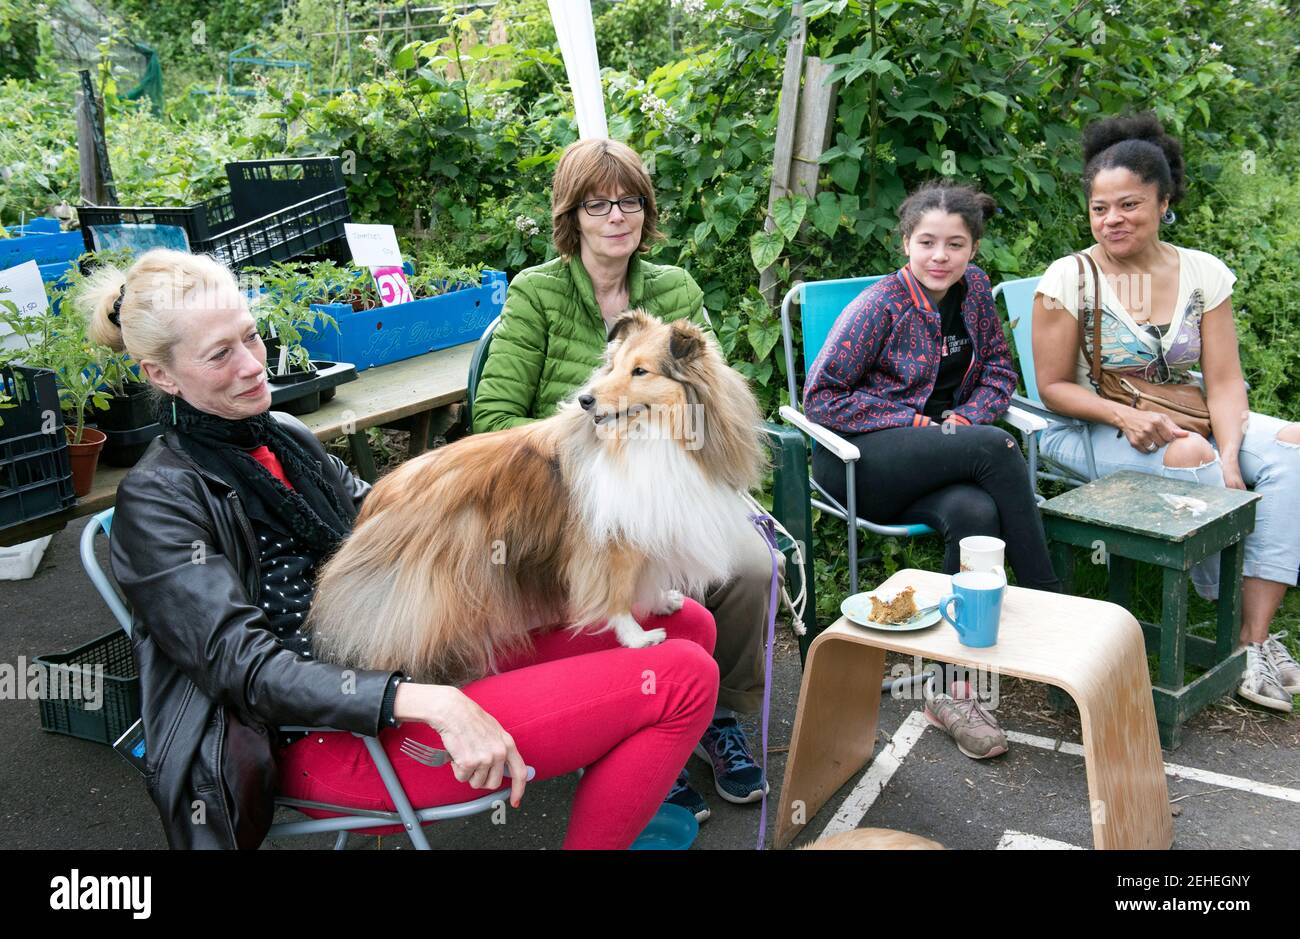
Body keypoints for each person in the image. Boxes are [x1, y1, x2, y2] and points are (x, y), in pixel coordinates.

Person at [91, 248, 720, 850]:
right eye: (219, 354)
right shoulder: (160, 501)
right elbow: (244, 668)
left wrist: (528, 483)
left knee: (685, 622)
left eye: (251, 337)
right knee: (682, 681)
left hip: (418, 651)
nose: (253, 364)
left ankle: (624, 799)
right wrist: (421, 700)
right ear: (161, 375)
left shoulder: (279, 434)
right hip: (331, 735)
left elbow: (393, 516)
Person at [472, 137, 778, 820]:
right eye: (598, 203)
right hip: (568, 487)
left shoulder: (675, 290)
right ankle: (638, 728)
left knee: (753, 565)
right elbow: (493, 417)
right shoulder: (537, 293)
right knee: (620, 557)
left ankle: (716, 716)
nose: (617, 216)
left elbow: (705, 398)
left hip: (669, 476)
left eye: (631, 201)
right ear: (571, 215)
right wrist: (588, 442)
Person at [1033, 112, 1300, 714]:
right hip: (1091, 424)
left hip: (1189, 411)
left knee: (1291, 445)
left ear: (1163, 201)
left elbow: (1225, 381)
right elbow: (1052, 387)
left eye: (1128, 205)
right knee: (1188, 452)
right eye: (1100, 208)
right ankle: (1222, 597)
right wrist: (1123, 418)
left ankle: (1249, 638)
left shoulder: (1202, 272)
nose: (1112, 221)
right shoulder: (1070, 277)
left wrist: (1232, 458)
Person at [803, 180, 1061, 760]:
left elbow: (998, 367)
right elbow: (822, 398)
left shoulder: (973, 292)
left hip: (944, 457)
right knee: (994, 448)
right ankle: (1054, 608)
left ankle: (951, 687)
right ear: (905, 244)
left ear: (972, 250)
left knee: (977, 512)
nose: (940, 256)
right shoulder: (880, 306)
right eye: (927, 242)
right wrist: (914, 421)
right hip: (862, 463)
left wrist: (968, 416)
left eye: (955, 244)